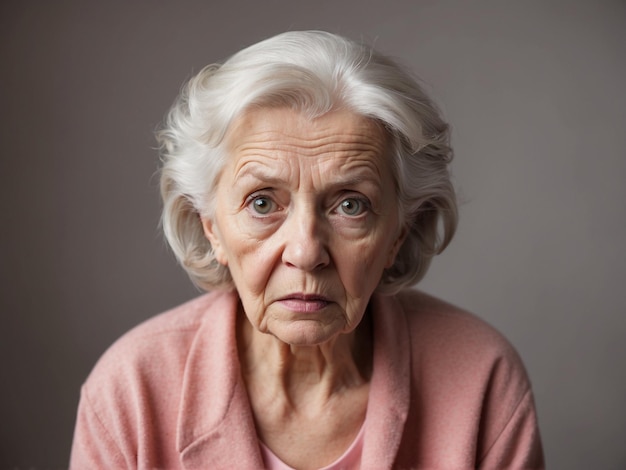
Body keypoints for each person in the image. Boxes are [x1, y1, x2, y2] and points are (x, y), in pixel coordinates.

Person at [70, 31, 544, 469]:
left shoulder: (482, 374)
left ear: (399, 230)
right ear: (210, 225)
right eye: (261, 202)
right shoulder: (129, 389)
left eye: (350, 205)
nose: (305, 251)